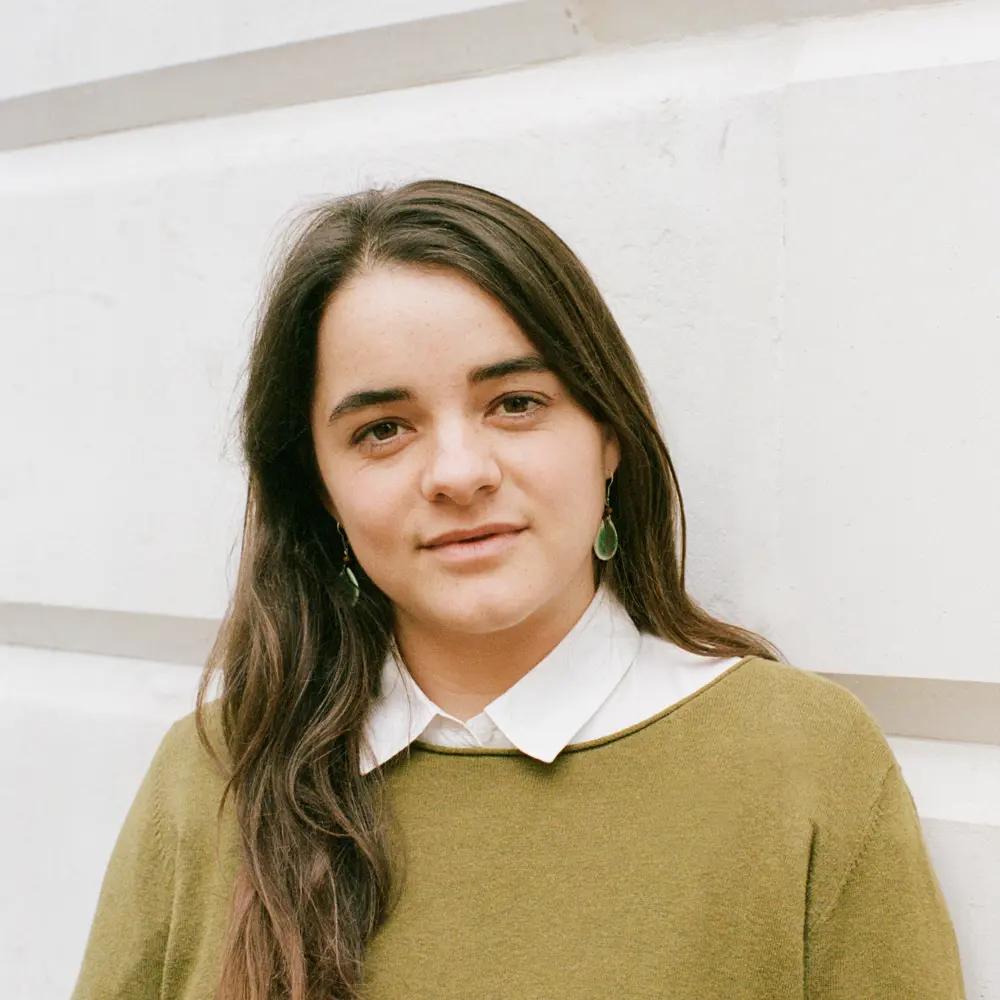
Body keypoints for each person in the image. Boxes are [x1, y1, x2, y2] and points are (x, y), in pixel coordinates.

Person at [71, 179, 965, 1000]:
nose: (458, 473)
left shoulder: (800, 763)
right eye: (384, 428)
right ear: (320, 492)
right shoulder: (217, 771)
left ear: (609, 435)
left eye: (516, 403)